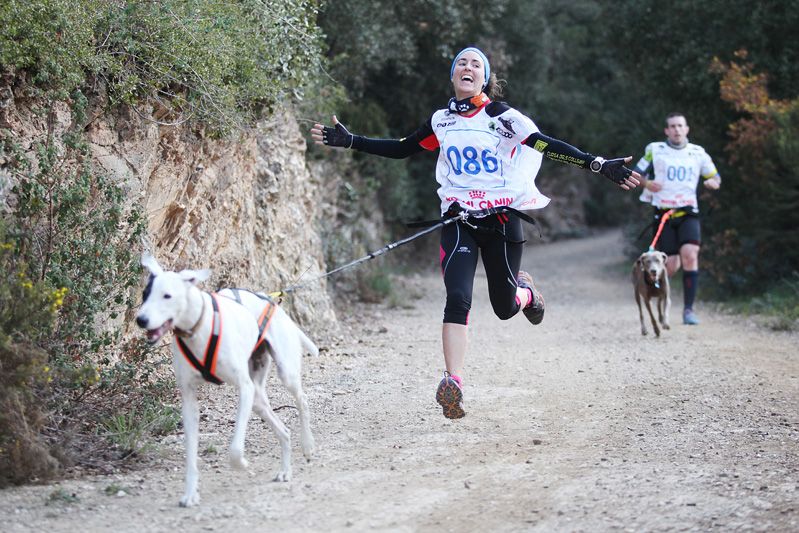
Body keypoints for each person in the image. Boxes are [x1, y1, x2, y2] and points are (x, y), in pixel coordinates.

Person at [311, 46, 640, 419]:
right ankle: (453, 382)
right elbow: (403, 148)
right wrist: (352, 140)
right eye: (461, 63)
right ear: (453, 76)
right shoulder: (441, 121)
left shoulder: (502, 117)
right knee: (458, 297)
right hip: (458, 221)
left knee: (503, 307)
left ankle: (526, 293)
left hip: (501, 221)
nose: (468, 67)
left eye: (476, 64)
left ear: (485, 79)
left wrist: (596, 163)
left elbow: (546, 144)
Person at [635, 112, 721, 325]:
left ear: (687, 129)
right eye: (672, 126)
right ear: (666, 131)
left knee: (690, 255)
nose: (676, 129)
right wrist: (646, 184)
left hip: (688, 212)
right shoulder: (654, 150)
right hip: (663, 214)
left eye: (680, 126)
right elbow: (635, 173)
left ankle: (689, 310)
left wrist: (713, 183)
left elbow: (715, 177)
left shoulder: (698, 153)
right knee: (670, 266)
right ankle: (659, 295)